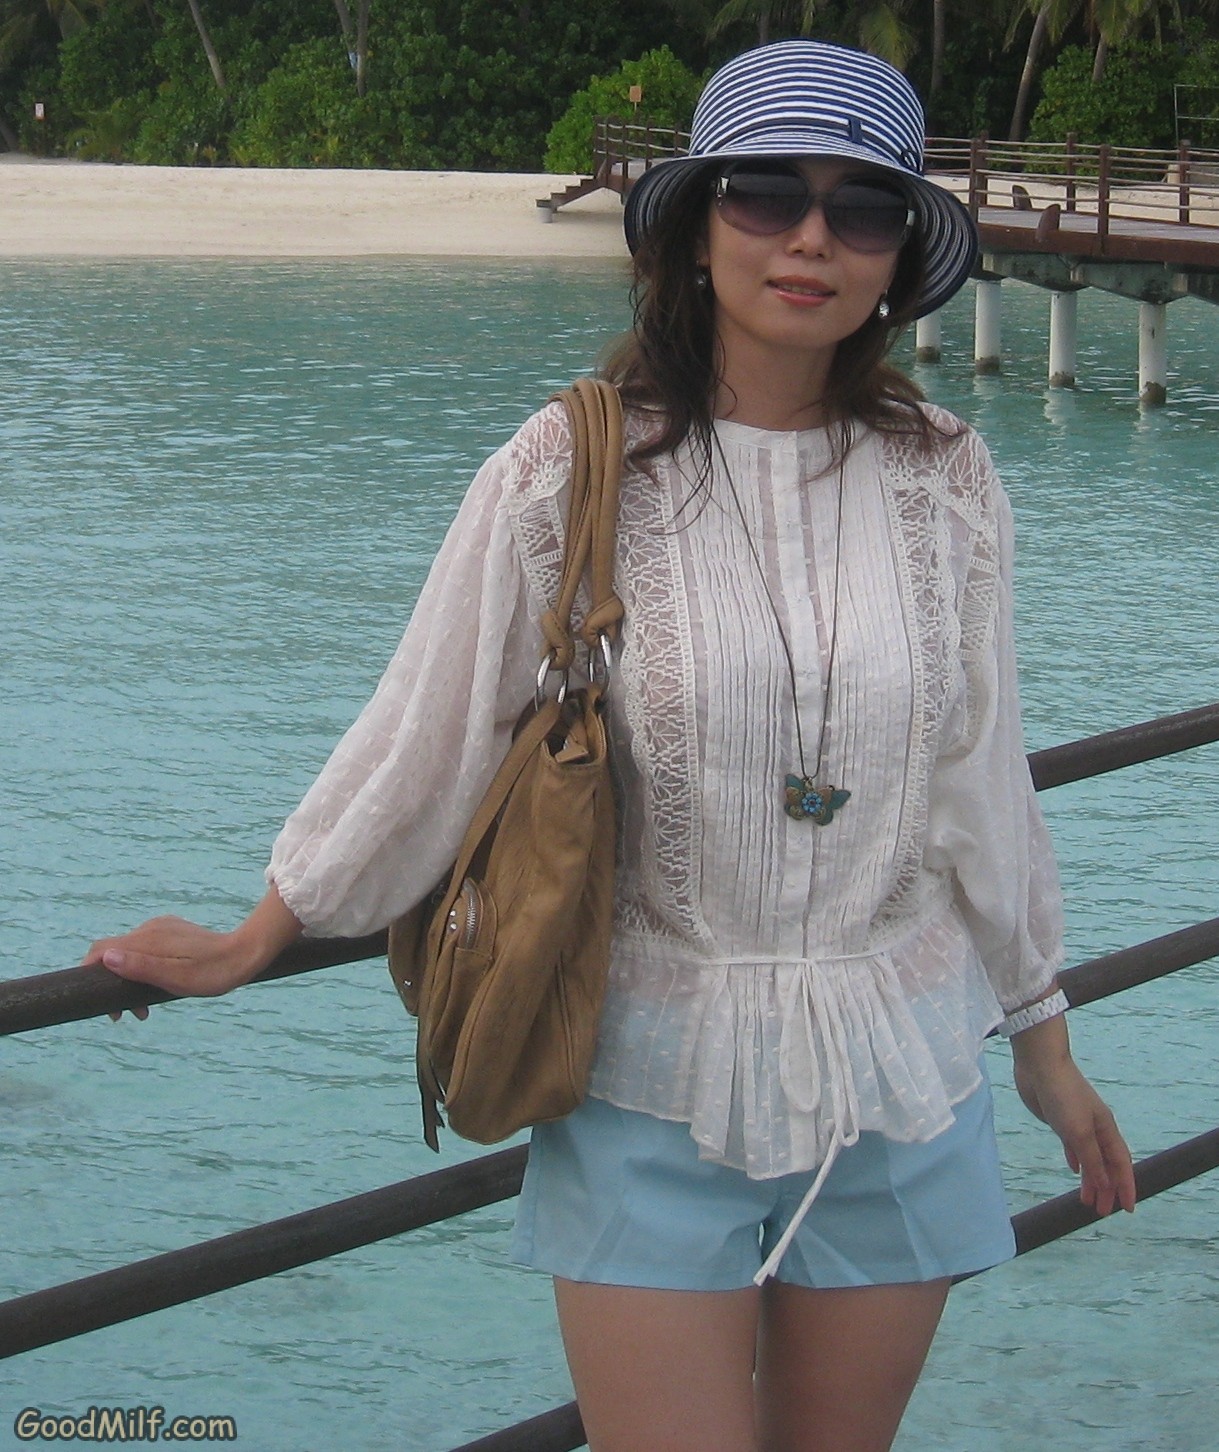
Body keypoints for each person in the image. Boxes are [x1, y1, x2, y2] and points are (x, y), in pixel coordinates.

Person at [85, 39, 1136, 1452]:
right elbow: (432, 727)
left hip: (902, 1067)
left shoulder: (945, 474)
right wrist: (262, 930)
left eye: (862, 207)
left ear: (899, 255)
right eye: (766, 194)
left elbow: (980, 779)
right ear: (698, 228)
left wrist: (1044, 1043)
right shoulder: (570, 467)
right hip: (650, 1071)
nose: (812, 237)